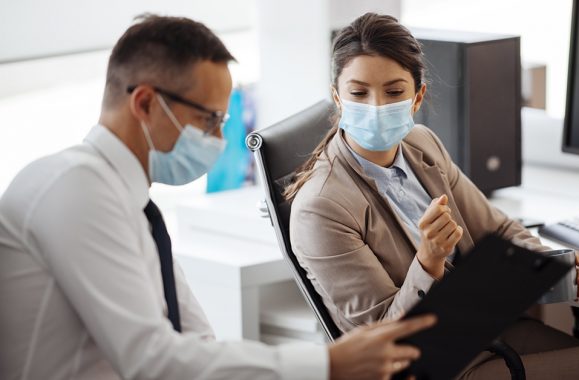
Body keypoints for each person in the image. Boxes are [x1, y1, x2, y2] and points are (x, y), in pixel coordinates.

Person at [0, 15, 437, 380]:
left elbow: (195, 342)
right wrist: (325, 364)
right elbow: (151, 360)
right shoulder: (76, 191)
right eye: (209, 119)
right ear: (146, 103)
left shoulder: (131, 204)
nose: (217, 137)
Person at [288, 12, 579, 379]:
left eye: (394, 91)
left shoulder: (422, 144)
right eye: (358, 92)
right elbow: (384, 342)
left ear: (417, 98)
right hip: (433, 368)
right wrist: (429, 261)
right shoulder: (320, 208)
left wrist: (546, 259)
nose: (376, 106)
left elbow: (495, 228)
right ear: (337, 97)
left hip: (483, 334)